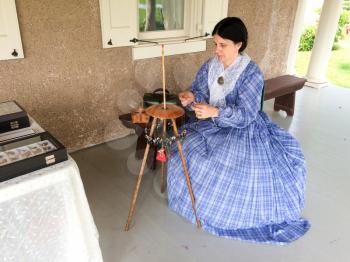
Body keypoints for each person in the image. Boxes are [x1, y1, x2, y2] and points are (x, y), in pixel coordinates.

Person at [166, 17, 310, 244]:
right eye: (215, 44)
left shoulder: (251, 72)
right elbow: (199, 91)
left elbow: (246, 114)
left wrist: (215, 112)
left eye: (222, 45)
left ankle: (216, 211)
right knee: (183, 149)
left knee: (232, 168)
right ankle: (192, 204)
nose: (217, 50)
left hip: (243, 129)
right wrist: (191, 97)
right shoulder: (210, 66)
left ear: (239, 45)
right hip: (212, 126)